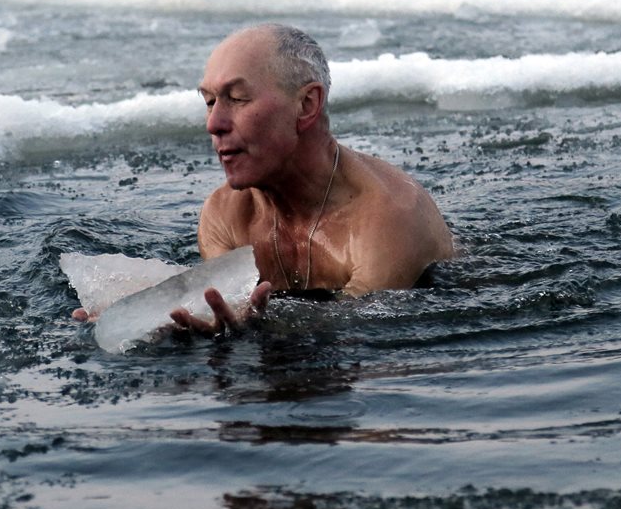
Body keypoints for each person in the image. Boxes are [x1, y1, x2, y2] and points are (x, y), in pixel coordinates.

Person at [166, 23, 455, 335]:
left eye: (236, 98)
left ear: (307, 105)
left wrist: (258, 332)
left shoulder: (390, 217)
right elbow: (225, 311)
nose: (214, 123)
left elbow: (354, 334)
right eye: (209, 101)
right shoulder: (225, 216)